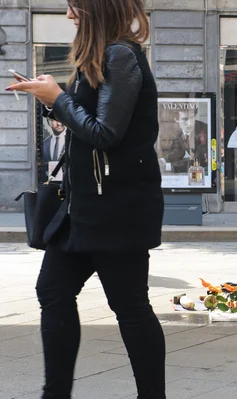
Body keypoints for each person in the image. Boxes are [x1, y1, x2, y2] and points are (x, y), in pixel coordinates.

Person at [7, 1, 166, 398]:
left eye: (75, 7)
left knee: (130, 308)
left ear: (97, 8)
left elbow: (106, 133)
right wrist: (53, 102)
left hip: (117, 211)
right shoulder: (102, 57)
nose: (68, 16)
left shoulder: (120, 56)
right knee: (53, 291)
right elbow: (91, 122)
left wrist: (58, 97)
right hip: (83, 208)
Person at [162, 107, 209, 173]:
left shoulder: (205, 130)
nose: (189, 123)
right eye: (185, 119)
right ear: (176, 119)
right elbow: (177, 153)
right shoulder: (177, 133)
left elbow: (199, 160)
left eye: (192, 118)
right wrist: (162, 160)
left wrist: (169, 166)